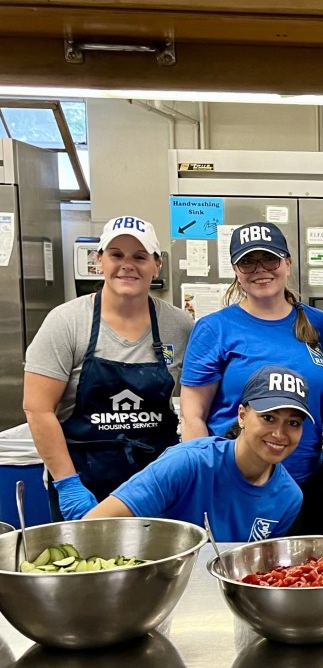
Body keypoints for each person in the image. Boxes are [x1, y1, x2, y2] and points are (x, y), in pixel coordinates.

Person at [23, 215, 193, 521]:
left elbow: (198, 404)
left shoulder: (180, 326)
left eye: (140, 256)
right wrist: (67, 483)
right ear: (99, 261)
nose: (127, 265)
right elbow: (37, 408)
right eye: (116, 255)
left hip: (157, 485)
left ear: (157, 264)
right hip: (85, 483)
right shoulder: (67, 322)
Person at [179, 222, 323, 534]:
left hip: (305, 485)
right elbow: (193, 414)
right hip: (235, 487)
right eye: (248, 261)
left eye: (270, 259)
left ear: (287, 264)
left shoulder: (319, 326)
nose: (260, 269)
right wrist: (207, 481)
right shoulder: (215, 329)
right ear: (236, 270)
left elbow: (322, 402)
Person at [85, 366, 309, 542]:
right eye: (268, 418)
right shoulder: (187, 463)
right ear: (242, 416)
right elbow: (94, 524)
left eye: (293, 423)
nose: (279, 433)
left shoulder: (288, 497)